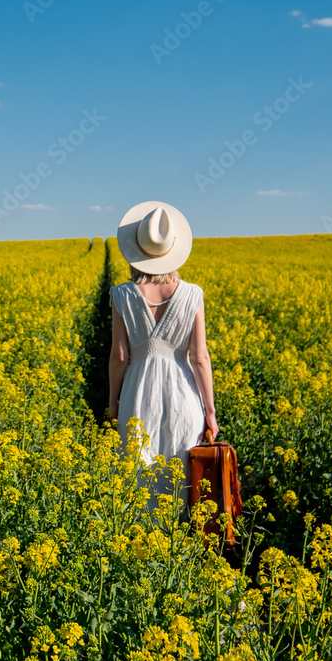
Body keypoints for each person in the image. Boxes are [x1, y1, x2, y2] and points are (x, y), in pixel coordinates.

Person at [108, 201, 218, 515]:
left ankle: (142, 548)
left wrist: (114, 401)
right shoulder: (193, 294)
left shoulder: (122, 295)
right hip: (184, 392)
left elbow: (119, 356)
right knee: (183, 471)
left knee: (138, 473)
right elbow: (199, 357)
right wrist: (210, 411)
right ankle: (180, 546)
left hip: (137, 390)